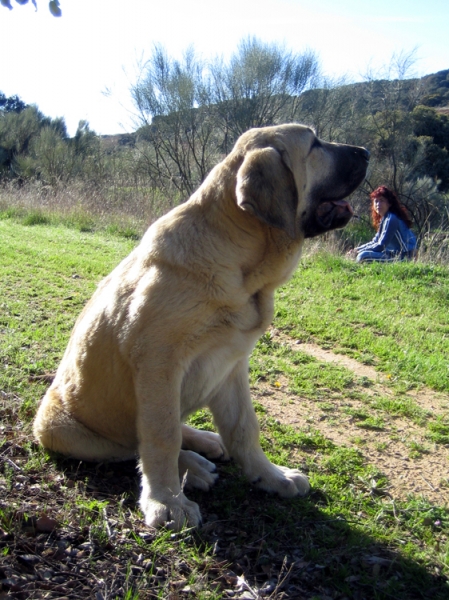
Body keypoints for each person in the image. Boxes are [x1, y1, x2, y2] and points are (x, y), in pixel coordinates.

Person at [348, 186, 417, 263]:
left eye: (382, 200)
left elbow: (381, 245)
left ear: (390, 203)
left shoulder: (392, 218)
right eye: (376, 201)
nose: (378, 204)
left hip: (403, 257)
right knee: (361, 254)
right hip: (391, 254)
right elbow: (375, 241)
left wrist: (358, 253)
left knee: (362, 256)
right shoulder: (385, 218)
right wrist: (357, 250)